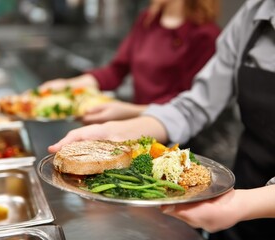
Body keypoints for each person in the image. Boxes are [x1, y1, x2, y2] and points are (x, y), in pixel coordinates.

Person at [47, 0, 275, 239]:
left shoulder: (203, 33)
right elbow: (193, 105)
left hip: (242, 202)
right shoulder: (254, 12)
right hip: (244, 190)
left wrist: (243, 204)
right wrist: (118, 132)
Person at [39, 0, 220, 124]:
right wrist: (67, 85)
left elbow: (188, 101)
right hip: (138, 124)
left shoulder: (205, 35)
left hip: (178, 134)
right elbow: (116, 71)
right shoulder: (147, 20)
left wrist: (129, 110)